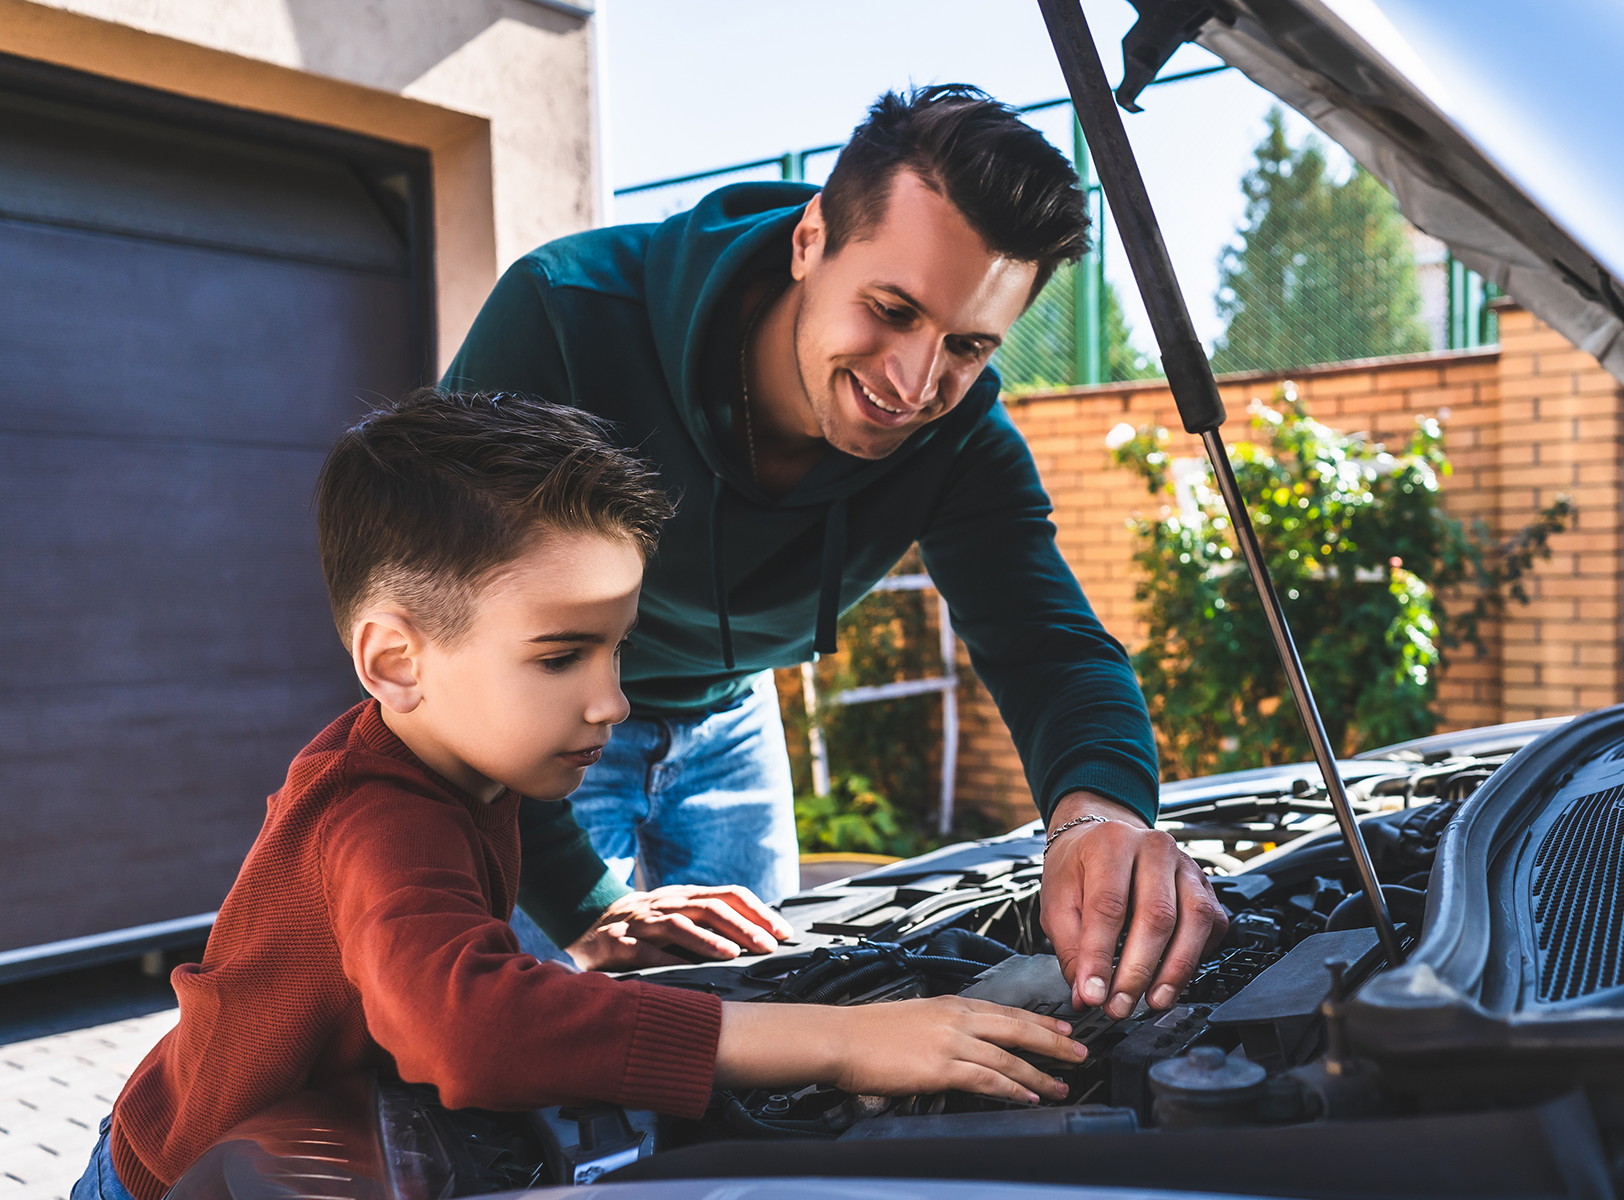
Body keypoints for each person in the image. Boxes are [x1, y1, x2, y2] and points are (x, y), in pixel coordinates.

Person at [73, 391, 1086, 1200]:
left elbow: (401, 970)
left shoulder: (463, 764)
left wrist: (577, 958)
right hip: (177, 1179)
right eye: (561, 655)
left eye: (616, 646)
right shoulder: (375, 816)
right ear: (395, 660)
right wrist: (845, 1041)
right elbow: (464, 1030)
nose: (610, 701)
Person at [447, 84, 1229, 1020]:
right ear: (810, 237)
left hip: (733, 720)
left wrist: (1100, 817)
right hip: (545, 737)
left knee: (786, 1024)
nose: (914, 383)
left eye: (968, 344)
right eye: (893, 309)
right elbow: (452, 636)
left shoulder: (962, 436)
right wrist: (583, 902)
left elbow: (1050, 644)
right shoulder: (565, 320)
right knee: (554, 1061)